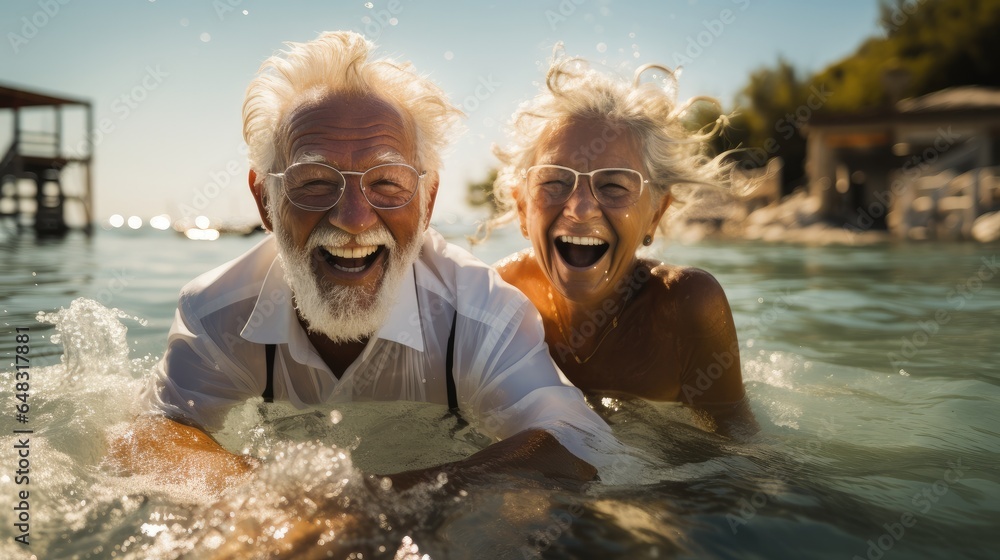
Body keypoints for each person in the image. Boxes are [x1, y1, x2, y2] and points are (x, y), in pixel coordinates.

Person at [109, 32, 626, 495]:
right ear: (265, 202)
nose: (354, 219)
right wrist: (274, 505)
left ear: (426, 200)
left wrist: (369, 509)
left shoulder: (480, 314)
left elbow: (580, 440)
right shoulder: (218, 310)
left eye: (387, 182)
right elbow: (146, 436)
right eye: (313, 181)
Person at [490, 53, 758, 436]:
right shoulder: (499, 299)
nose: (580, 209)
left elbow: (735, 455)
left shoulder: (685, 307)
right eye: (554, 182)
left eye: (614, 186)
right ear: (522, 207)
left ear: (655, 213)